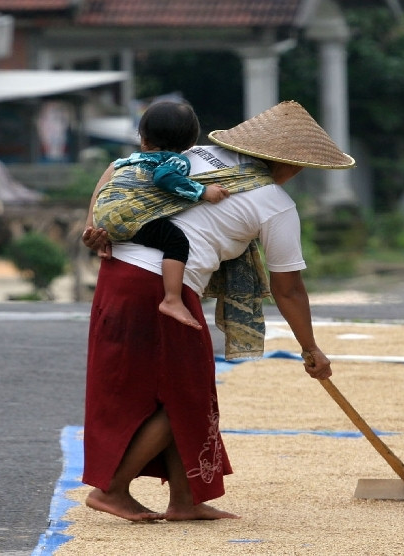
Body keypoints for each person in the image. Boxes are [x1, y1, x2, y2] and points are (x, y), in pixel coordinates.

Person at [80, 100, 355, 522]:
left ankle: (185, 500)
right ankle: (112, 490)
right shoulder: (274, 201)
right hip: (159, 287)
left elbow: (117, 171)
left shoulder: (187, 156)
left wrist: (93, 223)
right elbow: (289, 288)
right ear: (294, 166)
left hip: (118, 275)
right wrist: (310, 348)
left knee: (182, 390)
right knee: (185, 394)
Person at [93, 101, 230, 330]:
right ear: (190, 144)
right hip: (129, 219)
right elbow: (164, 178)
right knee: (175, 241)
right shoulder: (175, 160)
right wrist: (203, 191)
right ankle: (172, 299)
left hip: (103, 219)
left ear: (143, 139)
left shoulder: (129, 160)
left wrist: (97, 230)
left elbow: (101, 190)